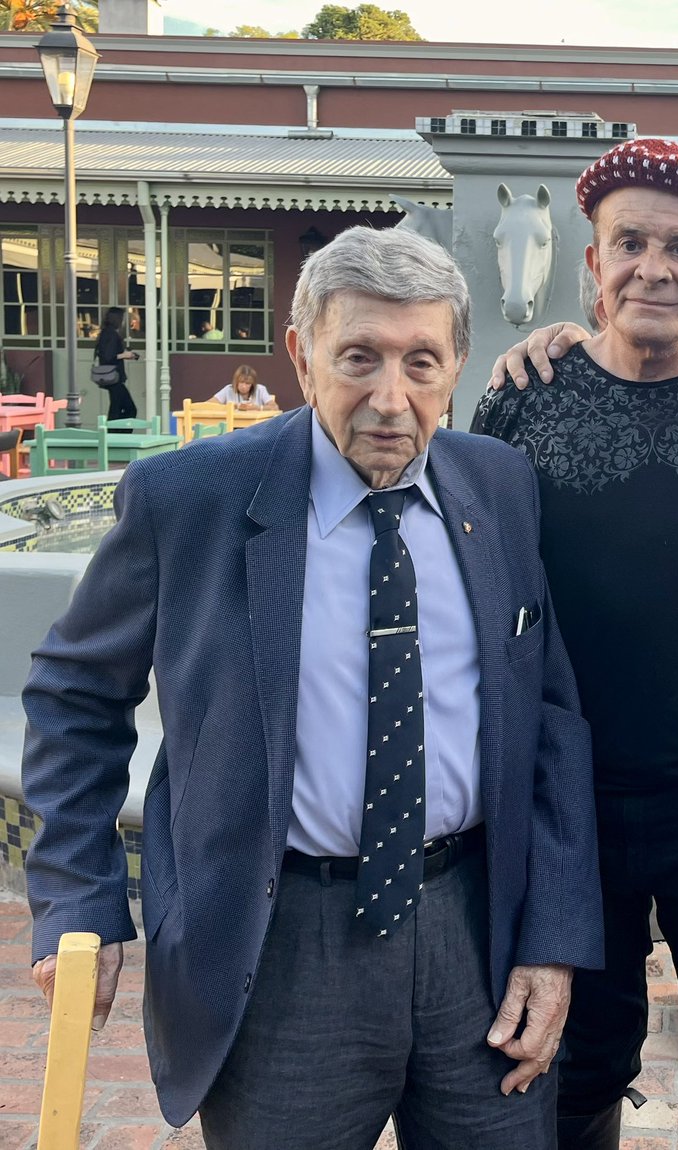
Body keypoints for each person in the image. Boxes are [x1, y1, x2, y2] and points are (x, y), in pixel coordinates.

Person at [22, 226, 602, 1149]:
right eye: (358, 357)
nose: (390, 397)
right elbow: (73, 697)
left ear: (458, 364)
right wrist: (78, 900)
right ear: (301, 356)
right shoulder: (190, 498)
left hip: (474, 935)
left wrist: (553, 939)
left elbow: (551, 719)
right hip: (280, 945)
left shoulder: (500, 485)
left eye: (421, 361)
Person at [473, 139, 678, 1150]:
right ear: (592, 262)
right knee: (570, 1066)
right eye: (630, 243)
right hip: (570, 805)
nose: (653, 268)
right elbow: (477, 590)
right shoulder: (523, 400)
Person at [95, 306, 138, 421]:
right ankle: (115, 434)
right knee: (128, 409)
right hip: (114, 377)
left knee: (117, 407)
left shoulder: (105, 333)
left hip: (111, 377)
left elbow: (107, 355)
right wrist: (125, 355)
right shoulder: (111, 334)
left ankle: (112, 434)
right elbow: (109, 357)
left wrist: (124, 355)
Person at [210, 363, 279, 410]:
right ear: (236, 381)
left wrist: (257, 408)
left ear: (252, 384)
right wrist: (232, 407)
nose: (244, 386)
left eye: (248, 383)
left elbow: (275, 407)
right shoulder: (228, 389)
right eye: (241, 382)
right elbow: (208, 405)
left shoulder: (260, 389)